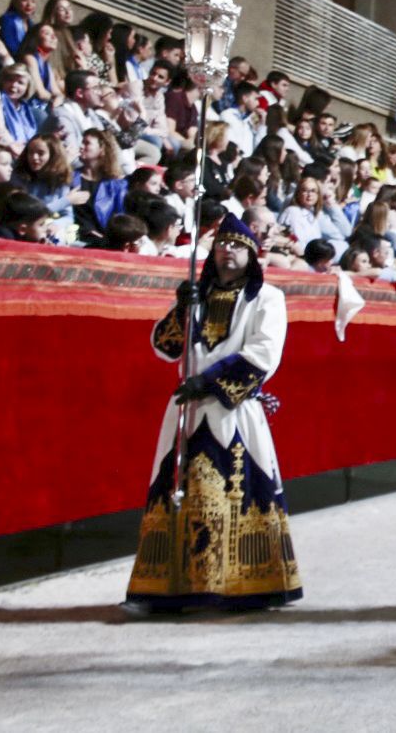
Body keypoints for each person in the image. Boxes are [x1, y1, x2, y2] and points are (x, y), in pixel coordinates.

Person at [122, 214, 302, 613]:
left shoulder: (267, 298)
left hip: (233, 409)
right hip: (187, 410)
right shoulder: (196, 296)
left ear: (252, 254)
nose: (228, 252)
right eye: (222, 245)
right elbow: (163, 347)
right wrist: (181, 312)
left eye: (237, 246)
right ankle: (163, 589)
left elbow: (264, 352)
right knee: (174, 493)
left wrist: (210, 382)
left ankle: (246, 584)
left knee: (242, 492)